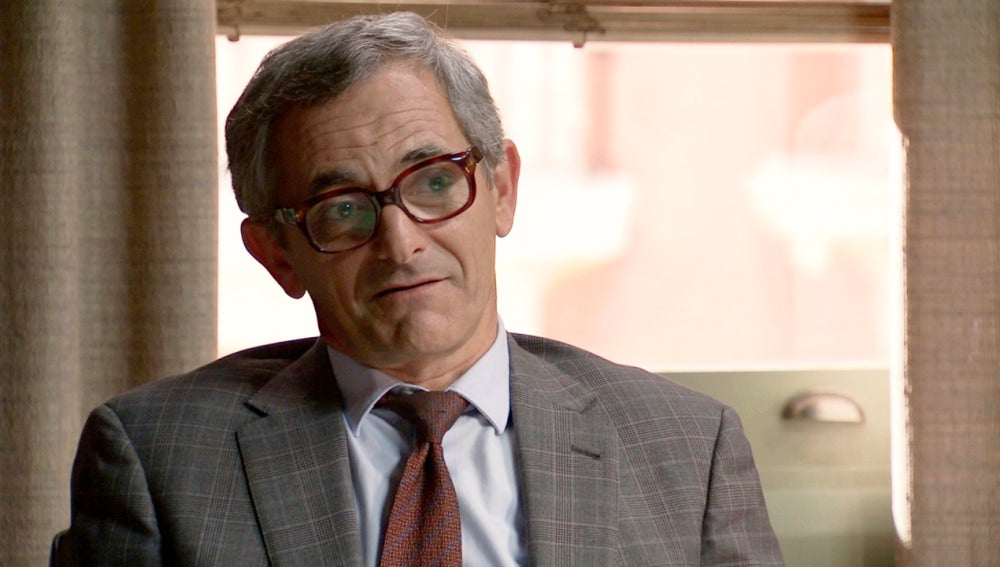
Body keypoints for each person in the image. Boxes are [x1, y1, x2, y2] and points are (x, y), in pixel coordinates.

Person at [53, 11, 783, 566]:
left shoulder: (688, 449)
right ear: (277, 255)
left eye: (434, 182)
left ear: (502, 190)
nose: (401, 243)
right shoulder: (157, 458)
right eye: (343, 208)